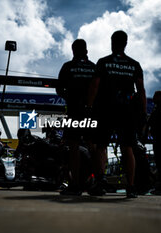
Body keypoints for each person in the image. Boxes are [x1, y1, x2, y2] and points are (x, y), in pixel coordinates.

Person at [87, 30, 146, 198]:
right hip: (127, 110)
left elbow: (95, 85)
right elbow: (141, 90)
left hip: (105, 109)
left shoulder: (103, 62)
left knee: (101, 146)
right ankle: (131, 187)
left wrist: (89, 108)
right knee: (127, 147)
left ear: (112, 42)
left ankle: (100, 183)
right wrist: (143, 113)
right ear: (126, 43)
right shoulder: (134, 64)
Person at [56, 39, 96, 195]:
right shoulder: (94, 67)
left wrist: (70, 98)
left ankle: (75, 185)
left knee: (73, 147)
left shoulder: (68, 66)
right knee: (93, 146)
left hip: (74, 112)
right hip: (90, 112)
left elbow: (59, 89)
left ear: (73, 50)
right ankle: (97, 182)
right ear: (86, 50)